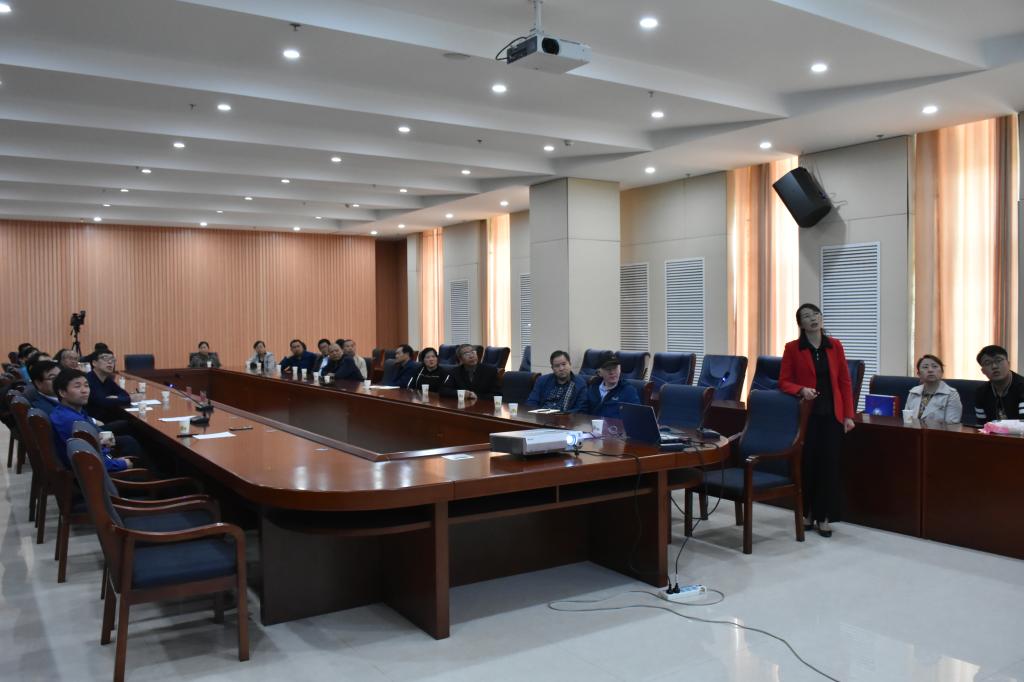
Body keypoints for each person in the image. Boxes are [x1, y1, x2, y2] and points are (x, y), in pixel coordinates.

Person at [778, 303, 855, 539]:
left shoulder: (835, 345)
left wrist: (848, 415)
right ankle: (807, 513)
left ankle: (824, 516)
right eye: (806, 316)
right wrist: (801, 389)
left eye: (816, 314)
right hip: (808, 416)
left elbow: (844, 381)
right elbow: (784, 381)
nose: (813, 318)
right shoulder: (793, 348)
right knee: (808, 464)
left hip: (832, 415)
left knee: (828, 466)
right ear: (800, 324)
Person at [49, 368, 141, 472]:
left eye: (86, 385)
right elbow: (90, 461)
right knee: (133, 446)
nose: (84, 390)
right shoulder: (73, 422)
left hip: (100, 457)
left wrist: (103, 440)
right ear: (62, 392)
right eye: (77, 386)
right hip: (94, 474)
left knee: (128, 439)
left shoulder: (68, 411)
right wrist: (121, 464)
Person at [974, 345, 1024, 424]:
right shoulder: (980, 393)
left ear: (1008, 364)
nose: (994, 366)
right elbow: (981, 426)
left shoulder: (1022, 387)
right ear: (983, 371)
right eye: (987, 363)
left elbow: (1022, 424)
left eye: (998, 360)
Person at [581, 351, 641, 418]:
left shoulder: (628, 390)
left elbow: (636, 416)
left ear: (620, 369)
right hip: (590, 423)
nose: (612, 372)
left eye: (615, 368)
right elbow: (582, 411)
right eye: (608, 369)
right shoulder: (593, 387)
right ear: (599, 372)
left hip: (615, 424)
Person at [905, 354, 962, 424]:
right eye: (925, 367)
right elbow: (907, 420)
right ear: (919, 374)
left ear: (942, 372)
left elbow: (952, 424)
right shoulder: (913, 392)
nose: (930, 370)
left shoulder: (951, 394)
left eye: (934, 366)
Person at [86, 349, 133, 421]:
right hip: (94, 422)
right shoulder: (88, 380)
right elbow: (102, 402)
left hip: (106, 417)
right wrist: (128, 399)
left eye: (112, 359)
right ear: (94, 363)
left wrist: (116, 398)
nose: (110, 362)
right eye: (105, 358)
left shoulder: (107, 380)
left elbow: (125, 394)